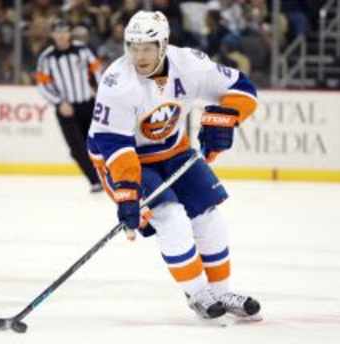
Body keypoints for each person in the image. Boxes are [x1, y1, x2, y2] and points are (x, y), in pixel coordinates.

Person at [87, 11, 261, 320]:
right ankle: (197, 294)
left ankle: (221, 292)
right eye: (133, 46)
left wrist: (227, 116)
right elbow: (114, 144)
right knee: (171, 217)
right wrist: (127, 193)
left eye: (147, 47)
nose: (139, 56)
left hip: (174, 151)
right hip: (125, 159)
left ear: (164, 44)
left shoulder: (190, 64)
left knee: (209, 214)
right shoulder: (117, 83)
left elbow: (242, 87)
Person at [36, 20, 103, 193]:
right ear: (52, 35)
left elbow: (97, 69)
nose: (61, 35)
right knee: (76, 147)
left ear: (69, 33)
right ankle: (95, 180)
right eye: (57, 32)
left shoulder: (82, 49)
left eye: (64, 31)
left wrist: (99, 90)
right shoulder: (47, 57)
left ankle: (106, 176)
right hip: (66, 110)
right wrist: (59, 102)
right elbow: (42, 85)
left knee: (96, 143)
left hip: (88, 104)